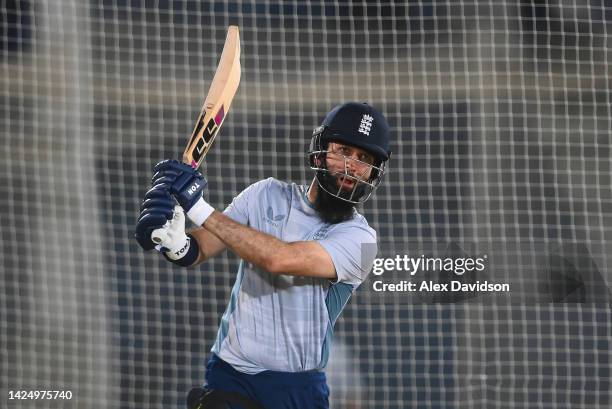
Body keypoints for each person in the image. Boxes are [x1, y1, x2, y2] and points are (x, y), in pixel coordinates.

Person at [135, 102, 391, 409]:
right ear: (321, 151)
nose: (352, 166)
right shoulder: (263, 195)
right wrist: (175, 242)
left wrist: (198, 207)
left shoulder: (360, 240)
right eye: (344, 151)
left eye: (364, 158)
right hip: (230, 374)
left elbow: (279, 260)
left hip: (296, 389)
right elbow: (200, 249)